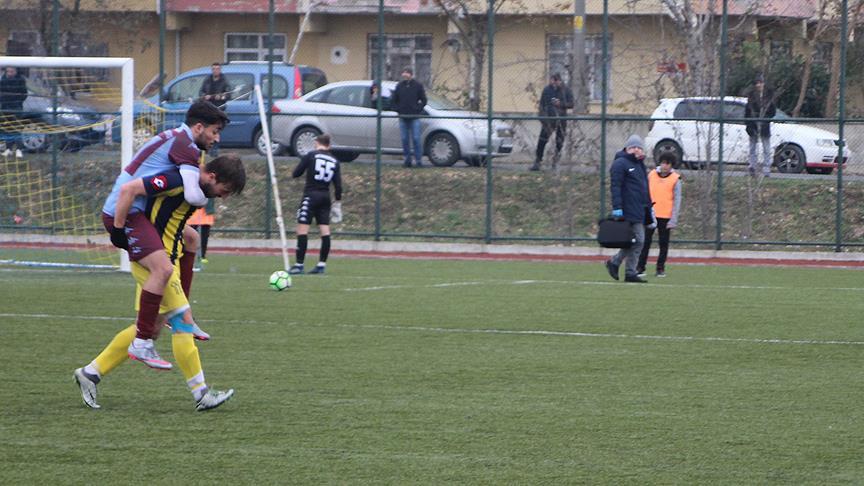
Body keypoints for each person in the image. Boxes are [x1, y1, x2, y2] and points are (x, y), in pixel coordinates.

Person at [75, 155, 246, 411]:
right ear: (212, 176)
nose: (224, 197)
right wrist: (119, 233)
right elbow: (132, 190)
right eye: (226, 189)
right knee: (182, 321)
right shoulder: (177, 181)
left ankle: (91, 373)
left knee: (150, 327)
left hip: (162, 261)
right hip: (155, 262)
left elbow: (180, 230)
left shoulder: (192, 189)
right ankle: (201, 394)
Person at [102, 100, 228, 369]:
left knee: (192, 239)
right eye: (214, 131)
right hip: (126, 211)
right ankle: (142, 341)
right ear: (198, 127)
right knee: (163, 269)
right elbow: (192, 195)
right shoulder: (184, 145)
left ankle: (179, 314)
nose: (216, 138)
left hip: (138, 210)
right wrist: (118, 230)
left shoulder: (184, 143)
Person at [288, 133, 342, 275]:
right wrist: (337, 202)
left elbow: (296, 173)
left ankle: (299, 265)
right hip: (325, 197)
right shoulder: (335, 161)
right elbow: (338, 185)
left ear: (316, 143)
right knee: (325, 231)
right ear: (329, 145)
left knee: (302, 230)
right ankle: (321, 265)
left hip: (311, 196)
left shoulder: (311, 155)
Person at [605, 134, 652, 283]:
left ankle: (619, 265)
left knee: (633, 241)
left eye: (639, 147)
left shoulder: (640, 165)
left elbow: (644, 188)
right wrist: (617, 208)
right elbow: (616, 187)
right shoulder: (620, 163)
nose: (636, 150)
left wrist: (649, 208)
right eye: (633, 147)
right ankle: (625, 268)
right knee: (638, 240)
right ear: (626, 148)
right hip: (627, 209)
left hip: (639, 209)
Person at [636, 154, 682, 278]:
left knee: (663, 244)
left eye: (668, 163)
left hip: (666, 216)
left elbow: (677, 200)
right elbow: (644, 191)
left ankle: (660, 268)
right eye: (663, 163)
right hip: (650, 214)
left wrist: (673, 219)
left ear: (671, 165)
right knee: (645, 242)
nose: (664, 166)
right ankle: (640, 267)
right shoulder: (651, 175)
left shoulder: (675, 178)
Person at [532, 73, 574, 171]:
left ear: (560, 81)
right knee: (542, 140)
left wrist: (561, 104)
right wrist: (542, 118)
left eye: (556, 81)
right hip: (548, 120)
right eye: (552, 81)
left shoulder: (566, 90)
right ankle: (538, 161)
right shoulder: (547, 90)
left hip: (561, 119)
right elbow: (542, 105)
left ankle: (555, 162)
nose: (554, 83)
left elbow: (571, 104)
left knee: (559, 141)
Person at [389, 67, 427, 168]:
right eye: (404, 73)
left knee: (416, 139)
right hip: (403, 117)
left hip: (414, 117)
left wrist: (417, 109)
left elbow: (424, 100)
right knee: (404, 139)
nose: (404, 75)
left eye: (407, 73)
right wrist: (398, 109)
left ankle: (418, 161)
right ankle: (407, 160)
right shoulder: (399, 86)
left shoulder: (418, 86)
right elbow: (393, 100)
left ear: (411, 74)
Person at [745, 75, 776, 178]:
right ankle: (752, 167)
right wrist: (749, 125)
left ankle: (766, 169)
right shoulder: (751, 97)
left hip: (764, 125)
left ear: (763, 84)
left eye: (760, 83)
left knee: (766, 148)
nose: (758, 85)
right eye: (757, 83)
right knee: (752, 147)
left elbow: (772, 111)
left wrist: (765, 119)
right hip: (753, 124)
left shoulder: (769, 97)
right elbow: (747, 112)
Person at [199, 63, 230, 157]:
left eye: (217, 69)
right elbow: (201, 92)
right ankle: (206, 149)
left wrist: (221, 97)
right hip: (208, 108)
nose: (215, 71)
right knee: (207, 129)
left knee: (216, 129)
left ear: (220, 70)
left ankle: (215, 150)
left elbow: (228, 94)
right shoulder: (207, 80)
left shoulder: (224, 80)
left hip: (219, 109)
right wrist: (205, 96)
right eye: (214, 69)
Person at [0, 66, 28, 158]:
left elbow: (24, 94)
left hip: (16, 108)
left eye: (11, 71)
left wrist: (17, 101)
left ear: (16, 71)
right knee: (6, 128)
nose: (9, 73)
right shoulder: (3, 79)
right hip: (5, 107)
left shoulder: (20, 80)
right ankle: (8, 149)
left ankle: (19, 149)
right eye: (8, 71)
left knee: (16, 128)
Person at [188, 198, 216, 263]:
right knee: (190, 239)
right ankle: (190, 256)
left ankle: (202, 256)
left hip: (205, 218)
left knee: (204, 238)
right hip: (192, 218)